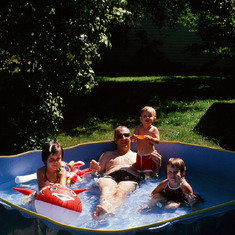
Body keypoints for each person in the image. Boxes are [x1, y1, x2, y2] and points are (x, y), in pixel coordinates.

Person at [89, 126, 140, 218]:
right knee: (107, 189)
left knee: (121, 192)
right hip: (110, 176)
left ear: (130, 138)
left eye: (126, 135)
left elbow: (148, 174)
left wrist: (156, 163)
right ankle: (104, 208)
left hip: (129, 177)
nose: (123, 138)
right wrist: (95, 168)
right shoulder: (108, 154)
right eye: (119, 136)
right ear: (115, 140)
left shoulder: (137, 155)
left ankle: (106, 211)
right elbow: (98, 170)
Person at [132, 106, 161, 178]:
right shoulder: (138, 128)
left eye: (150, 116)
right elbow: (132, 140)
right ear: (141, 119)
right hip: (139, 156)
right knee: (138, 174)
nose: (147, 117)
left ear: (154, 119)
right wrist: (133, 137)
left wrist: (150, 138)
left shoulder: (154, 129)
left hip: (149, 156)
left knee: (148, 175)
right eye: (145, 116)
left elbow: (157, 141)